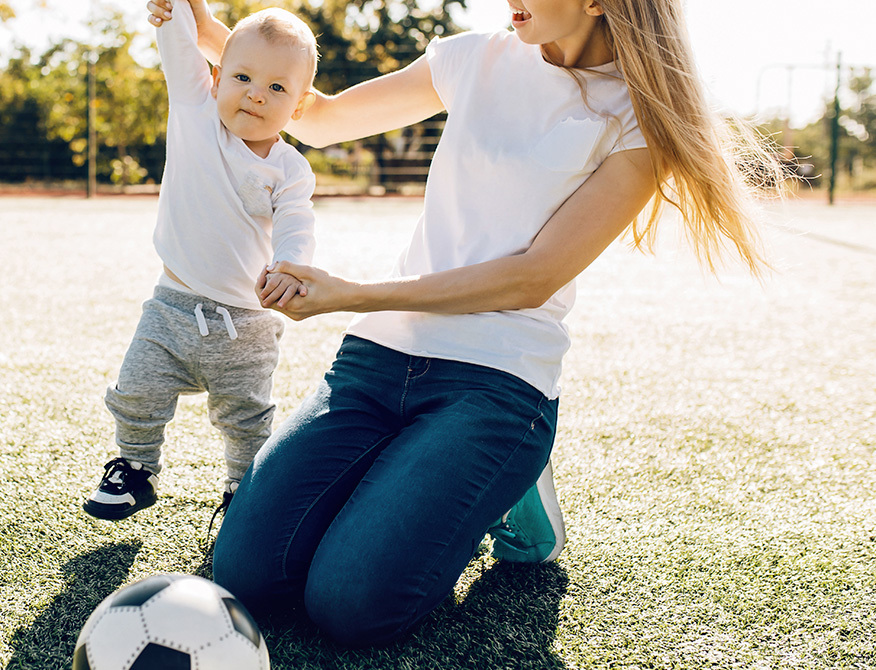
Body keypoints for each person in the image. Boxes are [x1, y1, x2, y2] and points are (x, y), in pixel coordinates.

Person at [149, 0, 785, 647]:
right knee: (247, 573)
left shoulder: (636, 122)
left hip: (496, 382)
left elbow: (532, 275)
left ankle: (510, 479)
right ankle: (441, 470)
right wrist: (200, 28)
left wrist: (355, 294)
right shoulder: (472, 56)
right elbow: (319, 117)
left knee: (349, 604)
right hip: (378, 360)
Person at [83, 0, 322, 521]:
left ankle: (244, 489)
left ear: (299, 106)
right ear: (215, 79)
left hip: (245, 325)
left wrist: (289, 265)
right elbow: (177, 42)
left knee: (247, 417)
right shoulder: (194, 113)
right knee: (137, 390)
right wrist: (177, 11)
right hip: (171, 306)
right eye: (242, 76)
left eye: (277, 88)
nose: (256, 93)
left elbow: (296, 223)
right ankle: (135, 469)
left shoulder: (290, 169)